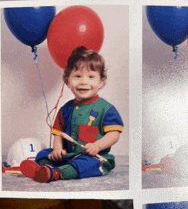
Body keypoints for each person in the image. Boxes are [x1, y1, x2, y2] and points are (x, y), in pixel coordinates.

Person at [20, 46, 124, 183]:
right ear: (67, 81)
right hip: (68, 155)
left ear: (101, 82)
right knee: (43, 154)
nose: (83, 82)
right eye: (77, 76)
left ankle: (55, 173)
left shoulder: (106, 109)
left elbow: (114, 134)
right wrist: (57, 149)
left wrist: (96, 146)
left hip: (93, 157)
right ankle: (42, 168)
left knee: (84, 164)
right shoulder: (65, 109)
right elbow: (58, 132)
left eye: (91, 77)